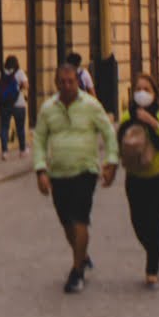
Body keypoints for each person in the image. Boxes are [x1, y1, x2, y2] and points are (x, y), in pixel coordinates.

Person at [34, 54, 116, 293]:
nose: (67, 85)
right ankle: (82, 255)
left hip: (85, 170)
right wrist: (40, 170)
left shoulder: (91, 106)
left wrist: (111, 162)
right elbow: (39, 140)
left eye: (71, 81)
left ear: (77, 82)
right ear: (56, 83)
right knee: (66, 223)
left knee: (80, 219)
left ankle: (76, 271)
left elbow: (108, 133)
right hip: (58, 173)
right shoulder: (48, 109)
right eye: (62, 81)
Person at [118, 71, 159, 288]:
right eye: (138, 89)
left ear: (155, 93)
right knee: (138, 224)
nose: (142, 93)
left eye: (147, 90)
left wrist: (153, 123)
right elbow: (119, 139)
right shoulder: (128, 116)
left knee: (153, 222)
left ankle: (152, 268)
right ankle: (153, 248)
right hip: (135, 178)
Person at [0, 57, 27, 159]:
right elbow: (26, 85)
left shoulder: (1, 73)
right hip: (19, 105)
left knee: (4, 127)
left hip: (5, 105)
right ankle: (22, 150)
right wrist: (19, 88)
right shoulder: (19, 72)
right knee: (20, 128)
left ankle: (4, 152)